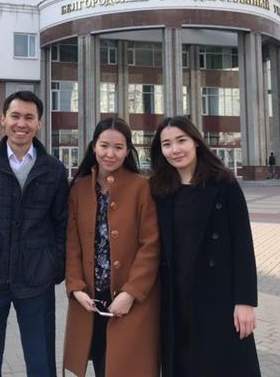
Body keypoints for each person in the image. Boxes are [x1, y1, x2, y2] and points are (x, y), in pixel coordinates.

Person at [0, 91, 68, 377]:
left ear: (39, 123)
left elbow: (62, 224)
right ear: (3, 120)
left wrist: (55, 265)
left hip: (36, 278)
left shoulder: (54, 170)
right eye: (15, 116)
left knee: (41, 360)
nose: (22, 124)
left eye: (29, 117)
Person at [149, 116, 260, 377]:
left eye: (181, 141)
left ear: (196, 142)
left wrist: (245, 302)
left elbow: (242, 244)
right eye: (167, 144)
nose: (175, 150)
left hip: (218, 297)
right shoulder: (159, 189)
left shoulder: (224, 184)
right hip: (175, 299)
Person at [63, 117, 160, 377]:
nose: (110, 153)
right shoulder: (79, 189)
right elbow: (72, 245)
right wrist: (75, 287)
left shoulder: (142, 187)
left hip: (130, 300)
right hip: (91, 300)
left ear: (128, 151)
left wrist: (131, 293)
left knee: (127, 367)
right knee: (98, 365)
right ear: (94, 146)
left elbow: (150, 246)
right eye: (104, 145)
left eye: (118, 147)